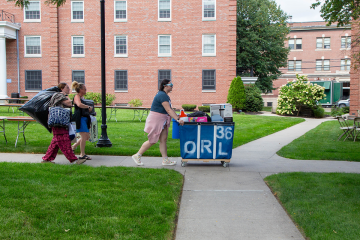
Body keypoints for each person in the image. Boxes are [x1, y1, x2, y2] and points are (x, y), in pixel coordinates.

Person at [132, 79, 184, 166]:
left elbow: (168, 109)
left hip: (162, 119)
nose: (172, 86)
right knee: (152, 140)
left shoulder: (164, 95)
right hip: (156, 119)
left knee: (163, 139)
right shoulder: (162, 95)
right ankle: (137, 155)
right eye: (170, 84)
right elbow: (168, 109)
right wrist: (178, 119)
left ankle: (165, 160)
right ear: (165, 86)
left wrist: (177, 116)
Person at [42, 83, 86, 164]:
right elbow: (69, 103)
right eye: (67, 88)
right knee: (65, 141)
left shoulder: (60, 95)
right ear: (61, 88)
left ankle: (46, 159)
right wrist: (66, 95)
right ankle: (74, 160)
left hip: (59, 123)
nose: (69, 89)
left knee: (55, 142)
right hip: (59, 123)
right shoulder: (59, 95)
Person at [71, 81, 94, 160]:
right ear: (80, 90)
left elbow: (84, 107)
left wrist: (91, 111)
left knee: (86, 136)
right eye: (85, 89)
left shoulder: (83, 98)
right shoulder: (77, 96)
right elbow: (79, 104)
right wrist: (88, 107)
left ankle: (73, 147)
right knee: (84, 136)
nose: (86, 90)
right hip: (80, 118)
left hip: (85, 118)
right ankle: (82, 154)